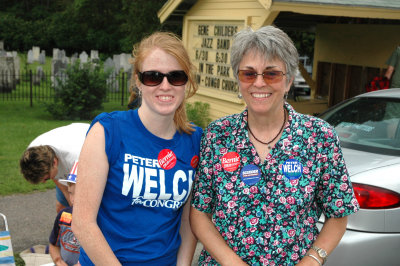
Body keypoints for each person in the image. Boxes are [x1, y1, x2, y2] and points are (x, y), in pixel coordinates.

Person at [190, 25, 360, 266]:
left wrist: (312, 260)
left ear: (289, 81)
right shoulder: (217, 136)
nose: (259, 83)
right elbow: (199, 212)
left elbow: (338, 213)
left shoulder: (319, 137)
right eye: (248, 74)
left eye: (271, 74)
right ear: (239, 81)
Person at [72, 32, 203, 266]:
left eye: (176, 76)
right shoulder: (108, 131)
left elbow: (187, 221)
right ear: (139, 81)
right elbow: (82, 223)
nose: (165, 86)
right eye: (153, 77)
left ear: (186, 81)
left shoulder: (195, 141)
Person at [19, 123, 90, 213]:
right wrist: (68, 196)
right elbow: (58, 181)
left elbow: (89, 188)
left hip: (91, 151)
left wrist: (76, 206)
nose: (43, 182)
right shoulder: (32, 152)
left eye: (47, 178)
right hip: (69, 159)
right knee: (63, 209)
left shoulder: (77, 157)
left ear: (54, 162)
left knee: (88, 211)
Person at [49, 161, 81, 266]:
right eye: (70, 193)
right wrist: (58, 261)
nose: (73, 200)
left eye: (80, 194)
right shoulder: (64, 216)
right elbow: (53, 245)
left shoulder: (101, 220)